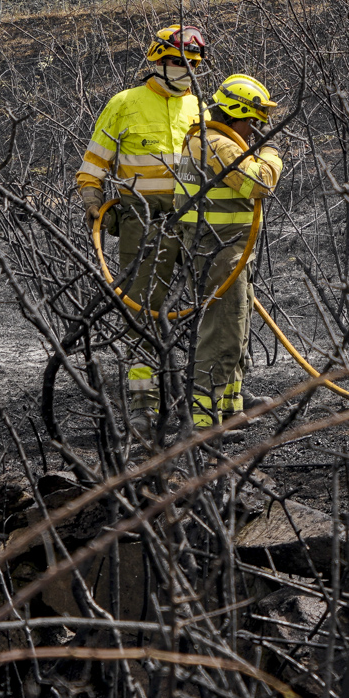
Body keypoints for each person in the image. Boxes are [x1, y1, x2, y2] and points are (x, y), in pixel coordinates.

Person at [74, 23, 208, 414]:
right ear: (156, 60)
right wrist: (92, 199)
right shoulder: (124, 104)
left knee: (213, 305)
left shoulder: (199, 107)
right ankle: (144, 399)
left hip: (194, 220)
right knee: (143, 310)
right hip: (142, 222)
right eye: (176, 61)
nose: (186, 69)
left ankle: (207, 392)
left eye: (193, 63)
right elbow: (93, 165)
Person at [173, 73, 284, 424]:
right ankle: (204, 421)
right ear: (234, 112)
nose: (254, 129)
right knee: (223, 335)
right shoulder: (219, 145)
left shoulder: (207, 138)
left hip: (225, 249)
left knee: (236, 331)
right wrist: (271, 153)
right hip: (219, 252)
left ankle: (230, 407)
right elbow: (259, 183)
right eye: (252, 121)